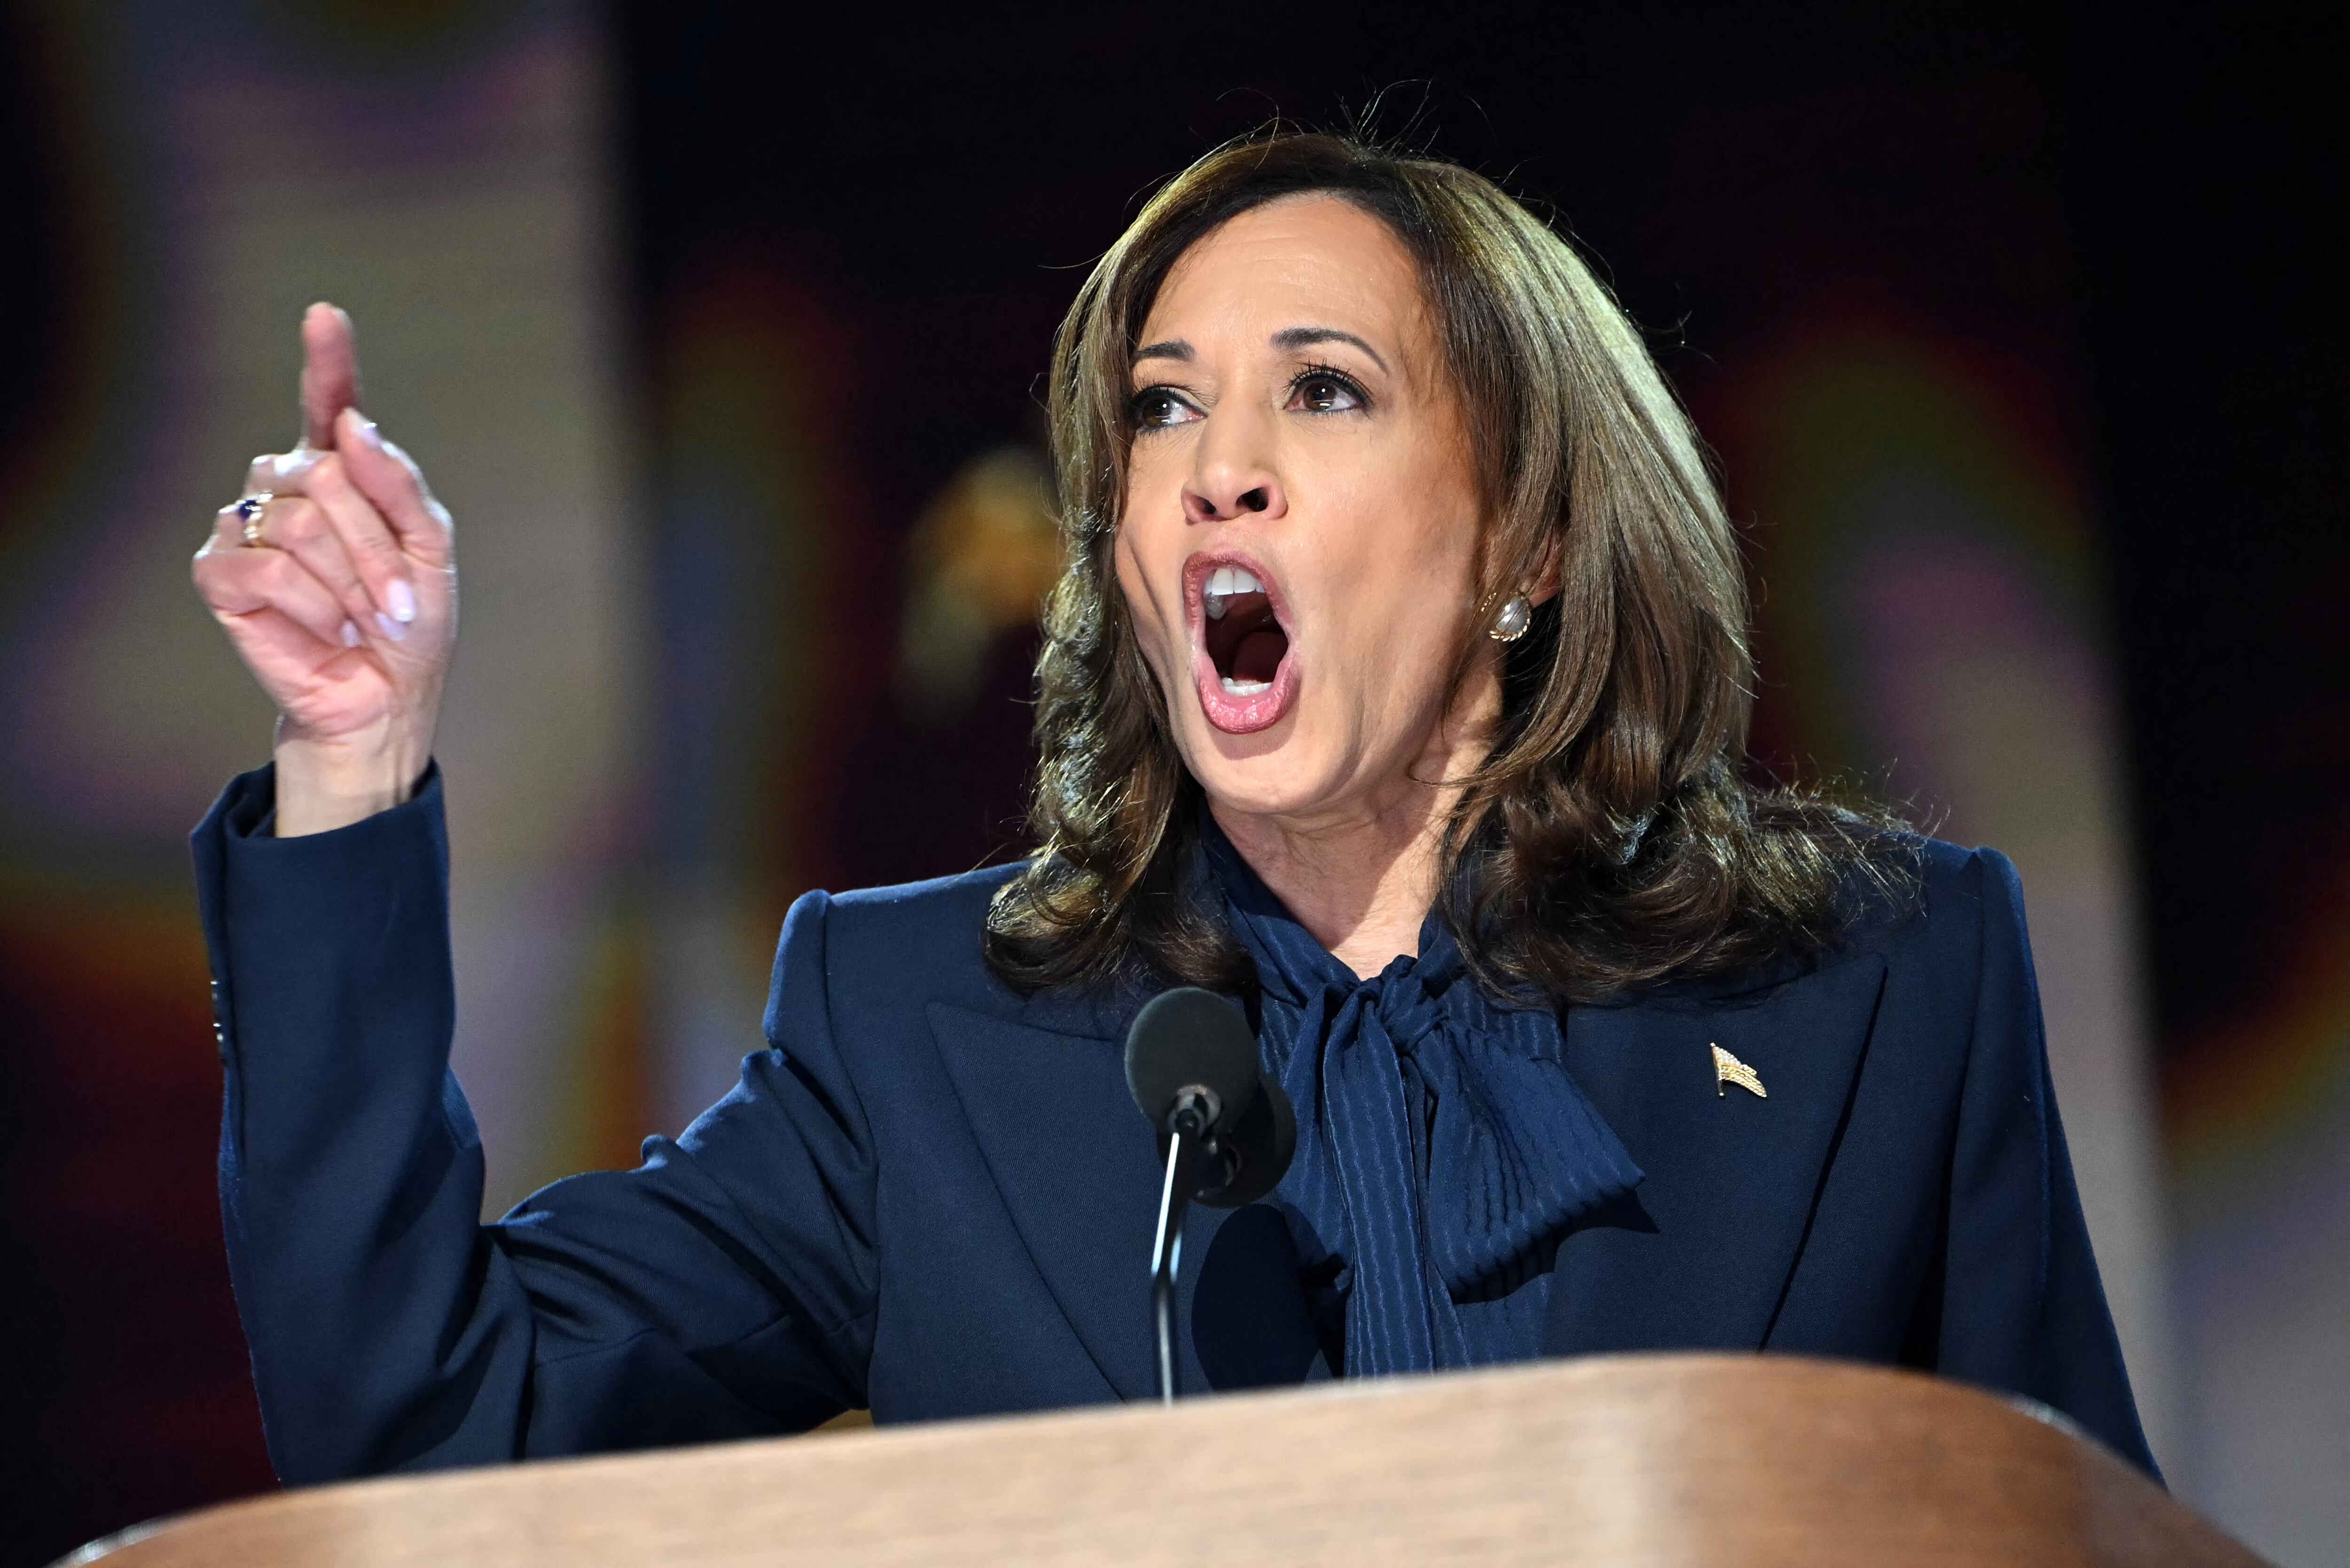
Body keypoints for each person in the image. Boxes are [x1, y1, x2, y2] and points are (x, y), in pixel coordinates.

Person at [189, 132, 2156, 1484]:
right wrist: (354, 763)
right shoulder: (919, 1041)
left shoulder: (1876, 986)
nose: (1218, 466)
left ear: (1527, 540)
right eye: (1161, 405)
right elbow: (431, 1422)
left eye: (1324, 390)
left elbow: (2063, 1530)